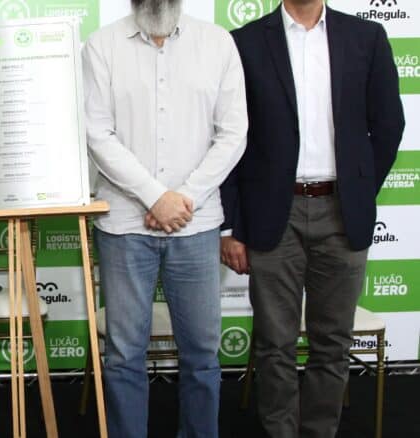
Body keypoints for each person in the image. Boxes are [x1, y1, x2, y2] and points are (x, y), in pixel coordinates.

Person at [221, 1, 405, 436]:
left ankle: (320, 432)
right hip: (272, 215)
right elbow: (230, 141)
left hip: (342, 213)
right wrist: (232, 228)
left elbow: (389, 124)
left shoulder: (367, 38)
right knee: (274, 344)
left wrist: (358, 188)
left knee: (332, 343)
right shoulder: (245, 43)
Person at [82, 0, 247, 436]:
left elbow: (233, 134)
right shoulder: (101, 46)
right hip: (123, 226)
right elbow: (97, 132)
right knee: (123, 355)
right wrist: (155, 197)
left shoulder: (217, 44)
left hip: (196, 224)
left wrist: (183, 198)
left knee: (202, 356)